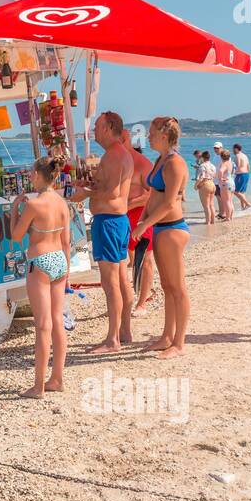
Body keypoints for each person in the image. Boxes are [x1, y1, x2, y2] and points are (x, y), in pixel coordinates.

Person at [67, 112, 135, 352]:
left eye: (97, 126)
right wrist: (89, 186)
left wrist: (85, 194)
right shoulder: (117, 155)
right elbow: (108, 188)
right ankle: (124, 331)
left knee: (110, 283)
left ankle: (112, 340)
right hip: (117, 220)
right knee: (120, 279)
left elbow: (113, 193)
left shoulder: (115, 155)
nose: (94, 131)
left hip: (109, 222)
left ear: (108, 127)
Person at [8, 158, 72, 398]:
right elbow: (66, 242)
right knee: (57, 321)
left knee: (43, 325)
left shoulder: (34, 205)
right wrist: (66, 274)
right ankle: (57, 378)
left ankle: (38, 386)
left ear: (37, 174)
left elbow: (16, 236)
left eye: (31, 175)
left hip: (40, 262)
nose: (30, 178)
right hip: (59, 261)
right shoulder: (62, 203)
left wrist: (14, 209)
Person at [130, 117, 191, 359]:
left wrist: (145, 223)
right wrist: (142, 221)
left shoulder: (175, 163)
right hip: (160, 228)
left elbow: (168, 202)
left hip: (173, 228)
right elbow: (152, 194)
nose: (148, 137)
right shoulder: (161, 159)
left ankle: (179, 343)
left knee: (178, 287)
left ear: (164, 136)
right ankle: (167, 336)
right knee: (167, 286)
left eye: (152, 133)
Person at [122, 130, 156, 315]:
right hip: (123, 218)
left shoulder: (144, 166)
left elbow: (152, 194)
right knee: (133, 260)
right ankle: (137, 294)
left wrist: (128, 204)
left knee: (146, 259)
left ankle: (142, 303)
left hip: (141, 217)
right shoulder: (120, 165)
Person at [194, 150, 217, 224]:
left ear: (203, 158)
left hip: (205, 185)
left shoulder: (202, 165)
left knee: (206, 206)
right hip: (212, 184)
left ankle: (208, 222)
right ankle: (213, 221)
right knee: (211, 204)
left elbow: (201, 177)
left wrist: (196, 185)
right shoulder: (213, 166)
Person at [216, 148, 234, 221]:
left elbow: (220, 171)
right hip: (231, 181)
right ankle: (230, 216)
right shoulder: (230, 163)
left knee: (226, 201)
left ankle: (227, 217)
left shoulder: (224, 164)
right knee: (230, 201)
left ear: (221, 156)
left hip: (225, 183)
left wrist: (220, 179)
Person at [232, 143, 251, 209]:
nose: (233, 151)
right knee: (242, 192)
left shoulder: (237, 155)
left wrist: (233, 173)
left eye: (233, 149)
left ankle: (248, 204)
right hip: (246, 174)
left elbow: (238, 166)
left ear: (236, 149)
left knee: (235, 191)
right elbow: (248, 167)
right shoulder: (245, 155)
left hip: (240, 174)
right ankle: (243, 207)